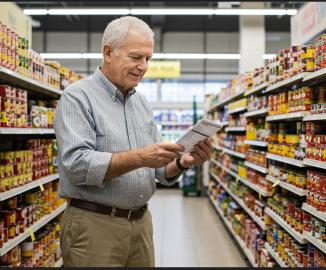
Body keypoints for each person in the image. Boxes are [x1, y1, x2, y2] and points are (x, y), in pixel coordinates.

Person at [54, 16, 212, 267]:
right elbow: (77, 165)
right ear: (108, 52)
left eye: (148, 59)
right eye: (136, 57)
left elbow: (159, 171)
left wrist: (183, 162)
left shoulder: (141, 104)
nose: (144, 66)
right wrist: (139, 157)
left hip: (140, 224)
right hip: (95, 226)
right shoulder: (78, 97)